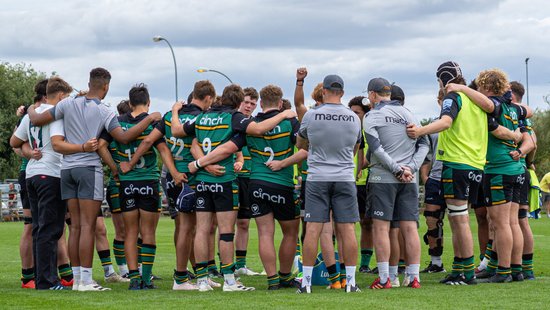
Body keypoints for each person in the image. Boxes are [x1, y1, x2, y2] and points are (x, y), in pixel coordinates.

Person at [27, 68, 161, 292]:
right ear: (106, 87)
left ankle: (77, 278)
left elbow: (38, 119)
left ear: (89, 83)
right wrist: (150, 120)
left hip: (66, 169)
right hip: (88, 168)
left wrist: (31, 107)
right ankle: (86, 281)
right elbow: (124, 137)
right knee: (89, 226)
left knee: (76, 227)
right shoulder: (105, 110)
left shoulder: (67, 103)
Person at [177, 84, 296, 292]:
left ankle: (203, 280)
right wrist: (286, 112)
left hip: (202, 180)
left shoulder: (202, 117)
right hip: (224, 180)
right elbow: (246, 137)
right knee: (225, 233)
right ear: (240, 102)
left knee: (202, 231)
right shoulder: (235, 119)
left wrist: (200, 162)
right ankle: (230, 281)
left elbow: (182, 134)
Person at [120, 80, 216, 290]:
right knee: (191, 228)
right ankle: (181, 277)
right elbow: (195, 148)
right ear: (208, 98)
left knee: (182, 228)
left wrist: (171, 171)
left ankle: (192, 276)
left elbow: (151, 143)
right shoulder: (203, 118)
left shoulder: (168, 116)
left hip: (172, 179)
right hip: (192, 177)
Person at [407, 61, 495, 285]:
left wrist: (419, 131)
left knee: (460, 221)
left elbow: (446, 122)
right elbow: (491, 108)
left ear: (443, 80)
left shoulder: (453, 97)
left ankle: (465, 273)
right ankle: (459, 268)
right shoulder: (474, 99)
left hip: (457, 164)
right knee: (460, 219)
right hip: (476, 165)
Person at [100, 84, 180, 290]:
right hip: (148, 182)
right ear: (149, 102)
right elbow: (163, 150)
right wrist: (174, 173)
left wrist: (114, 168)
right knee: (148, 233)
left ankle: (133, 278)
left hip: (126, 183)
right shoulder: (153, 123)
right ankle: (146, 278)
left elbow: (101, 146)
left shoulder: (116, 123)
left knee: (129, 232)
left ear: (129, 102)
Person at [296, 74, 362, 293]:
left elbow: (301, 143)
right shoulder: (354, 118)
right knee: (348, 230)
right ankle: (350, 282)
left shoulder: (312, 115)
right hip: (344, 177)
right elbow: (355, 148)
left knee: (313, 230)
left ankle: (306, 283)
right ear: (342, 92)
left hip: (317, 177)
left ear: (323, 91)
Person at [363, 78, 429, 289]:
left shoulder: (372, 115)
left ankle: (385, 279)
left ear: (372, 95)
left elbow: (375, 148)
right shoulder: (409, 114)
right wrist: (411, 168)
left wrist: (397, 169)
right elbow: (424, 145)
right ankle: (414, 277)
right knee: (410, 228)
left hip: (383, 178)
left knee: (381, 229)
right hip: (409, 179)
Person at [10, 76, 73, 290]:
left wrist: (28, 151)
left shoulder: (32, 114)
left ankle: (39, 278)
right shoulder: (55, 115)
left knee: (39, 229)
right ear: (61, 96)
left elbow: (14, 142)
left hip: (32, 175)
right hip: (50, 174)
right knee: (50, 230)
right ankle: (47, 281)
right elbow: (57, 144)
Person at [475, 69, 531, 283]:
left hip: (498, 168)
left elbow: (496, 131)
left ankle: (504, 271)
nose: (479, 91)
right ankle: (516, 270)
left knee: (501, 224)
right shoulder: (513, 107)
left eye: (480, 87)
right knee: (512, 222)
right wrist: (516, 136)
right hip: (516, 169)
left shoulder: (492, 107)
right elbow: (529, 112)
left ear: (487, 87)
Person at [12, 78, 47, 289]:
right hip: (31, 173)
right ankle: (28, 276)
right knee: (30, 225)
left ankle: (59, 272)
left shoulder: (33, 114)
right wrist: (30, 156)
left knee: (50, 225)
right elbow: (15, 145)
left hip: (43, 173)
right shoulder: (29, 116)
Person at [510, 81, 537, 280]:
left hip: (512, 168)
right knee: (521, 220)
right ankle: (526, 268)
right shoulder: (524, 115)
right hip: (523, 170)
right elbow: (533, 145)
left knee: (510, 221)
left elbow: (532, 142)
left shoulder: (517, 115)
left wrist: (521, 155)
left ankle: (513, 267)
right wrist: (530, 161)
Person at [419, 90, 447, 274]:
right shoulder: (432, 127)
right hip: (435, 180)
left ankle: (467, 263)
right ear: (439, 101)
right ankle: (436, 262)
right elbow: (426, 157)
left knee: (459, 219)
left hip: (458, 176)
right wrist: (425, 178)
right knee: (432, 221)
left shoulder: (465, 123)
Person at [234, 87, 261, 276]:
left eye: (253, 103)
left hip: (250, 178)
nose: (249, 106)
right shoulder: (232, 121)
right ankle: (220, 265)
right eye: (246, 102)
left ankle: (241, 265)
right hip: (232, 177)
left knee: (244, 223)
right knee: (222, 223)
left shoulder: (256, 124)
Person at [348, 96, 373, 274]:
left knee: (367, 224)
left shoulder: (371, 131)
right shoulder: (346, 129)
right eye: (351, 112)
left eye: (357, 113)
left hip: (366, 184)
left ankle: (364, 264)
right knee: (342, 224)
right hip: (347, 181)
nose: (353, 116)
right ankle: (339, 263)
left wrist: (361, 165)